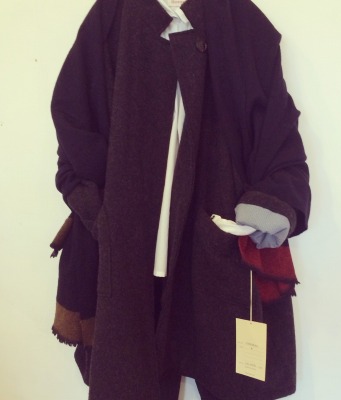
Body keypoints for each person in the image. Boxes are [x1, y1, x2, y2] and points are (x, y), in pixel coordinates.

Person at [50, 0, 311, 399]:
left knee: (225, 362)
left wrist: (272, 199)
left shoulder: (237, 18)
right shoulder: (113, 14)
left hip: (209, 236)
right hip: (130, 240)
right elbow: (73, 114)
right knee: (129, 369)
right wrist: (99, 209)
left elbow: (276, 124)